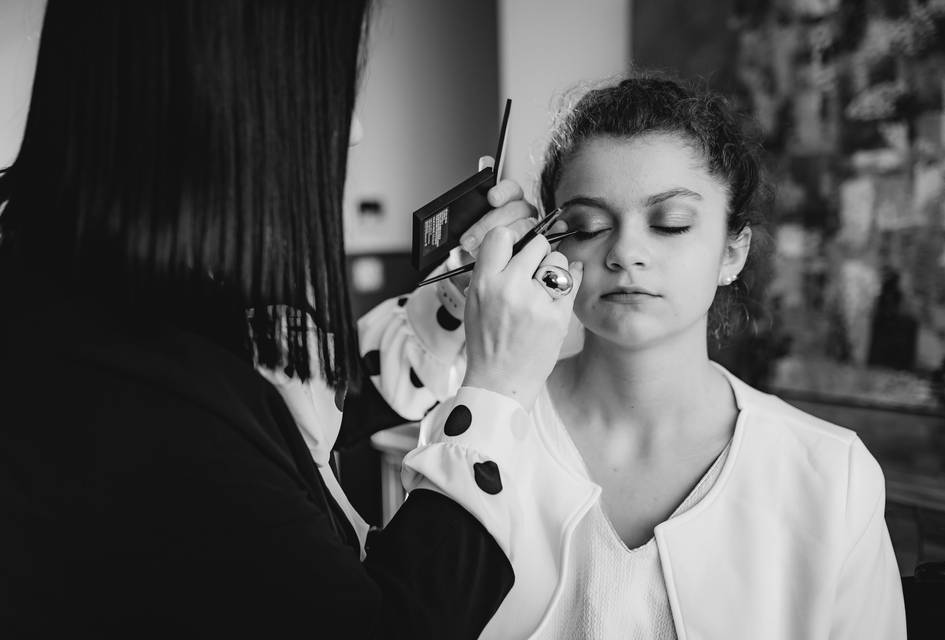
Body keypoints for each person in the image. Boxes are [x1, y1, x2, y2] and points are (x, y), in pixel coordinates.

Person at [0, 2, 583, 637]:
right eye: (328, 82)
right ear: (218, 88)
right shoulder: (128, 387)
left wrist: (454, 311)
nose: (353, 128)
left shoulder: (132, 295)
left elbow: (336, 399)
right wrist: (497, 389)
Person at [360, 74, 907, 638]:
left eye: (670, 224)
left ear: (732, 252)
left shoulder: (831, 475)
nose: (625, 252)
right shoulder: (475, 436)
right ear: (551, 242)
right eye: (589, 225)